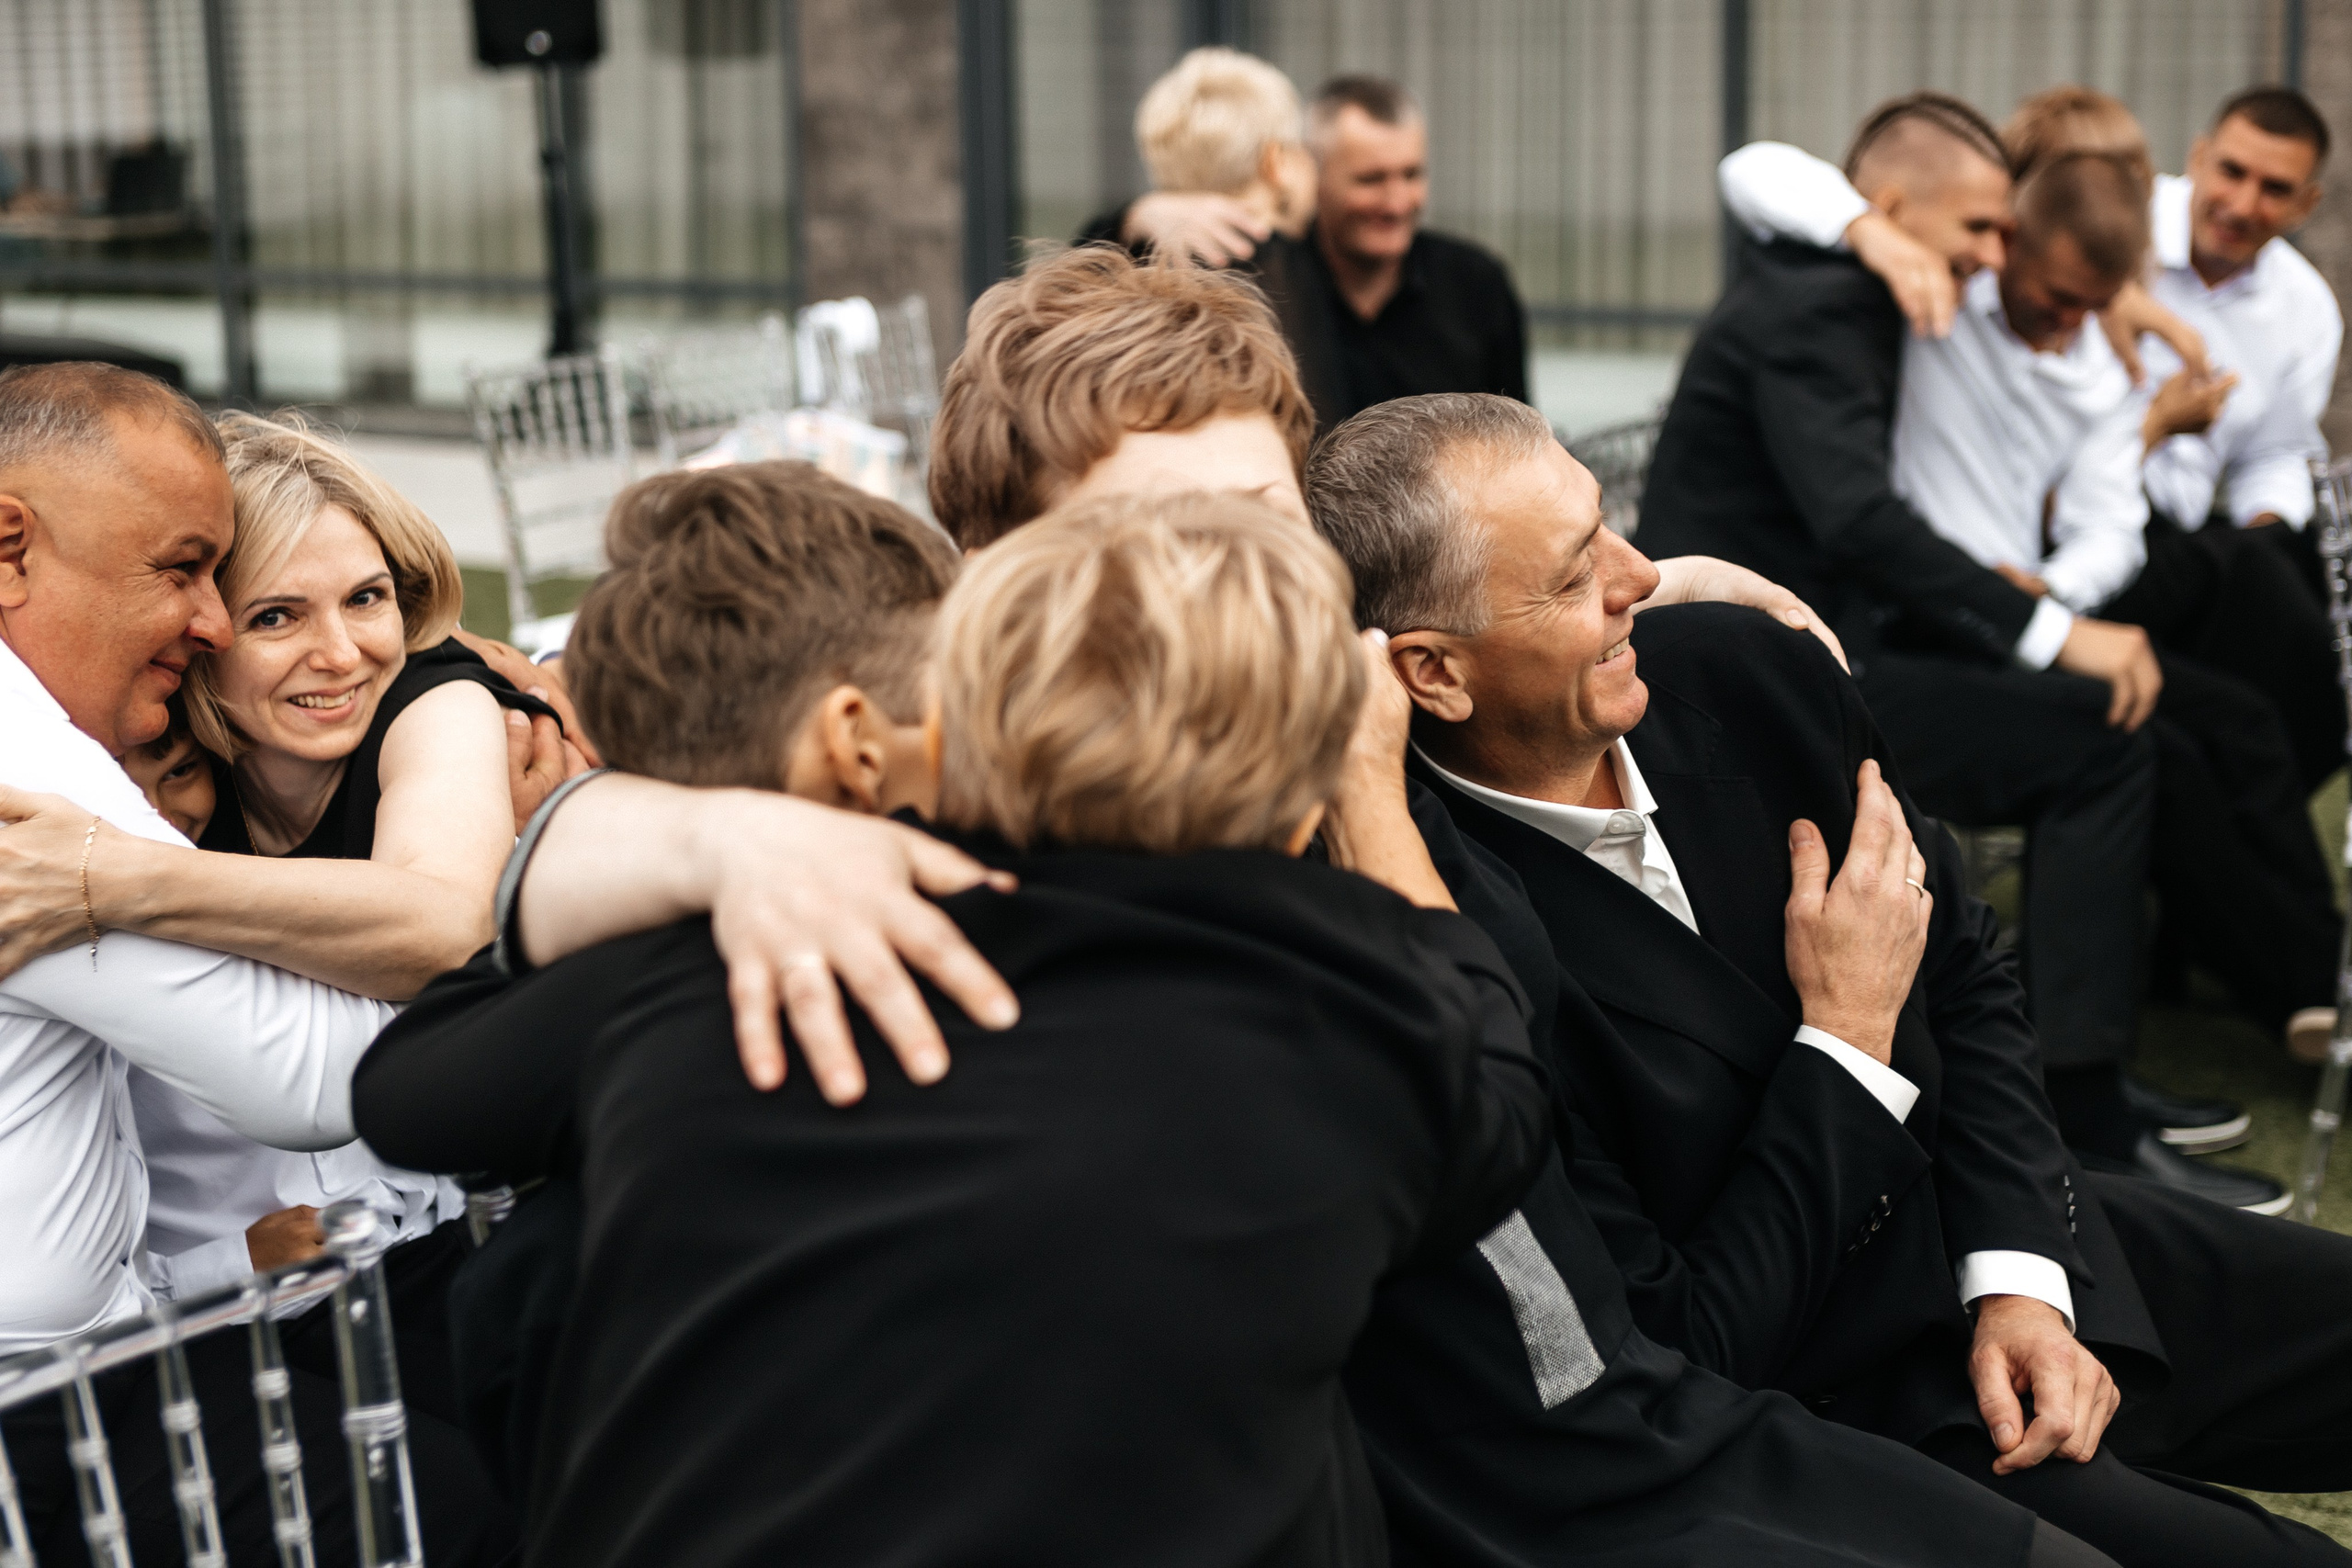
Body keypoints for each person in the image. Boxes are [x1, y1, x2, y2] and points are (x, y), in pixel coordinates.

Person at [356, 478, 1555, 1567]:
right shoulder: (1345, 1020)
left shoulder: (750, 953)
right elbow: (1498, 1077)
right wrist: (1368, 789)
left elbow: (413, 1083)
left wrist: (653, 832)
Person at [1310, 388, 2352, 1568]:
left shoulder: (1747, 671)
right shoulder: (1445, 930)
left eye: (1606, 524)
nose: (1642, 575)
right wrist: (1849, 1043)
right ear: (1432, 675)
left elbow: (1961, 968)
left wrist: (2021, 1278)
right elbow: (1687, 1342)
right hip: (1852, 1402)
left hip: (2012, 1222)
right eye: (1569, 575)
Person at [1635, 94, 2279, 1206]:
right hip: (1747, 689)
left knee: (2139, 725)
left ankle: (2091, 1082)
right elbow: (1856, 523)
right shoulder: (1821, 303)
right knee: (2101, 746)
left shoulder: (1859, 285)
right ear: (1884, 211)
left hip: (1828, 649)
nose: (1995, 255)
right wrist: (2051, 629)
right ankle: (2081, 1119)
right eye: (1978, 231)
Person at [0, 362, 512, 1564]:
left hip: (279, 1306)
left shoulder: (434, 707)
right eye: (196, 580)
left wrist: (125, 877)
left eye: (369, 597)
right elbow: (313, 1079)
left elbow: (448, 921)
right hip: (102, 1390)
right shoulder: (85, 776)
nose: (212, 619)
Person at [1089, 67, 1529, 428]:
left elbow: (1519, 431)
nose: (1398, 203)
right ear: (1310, 171)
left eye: (1413, 175)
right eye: (1370, 180)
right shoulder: (1277, 267)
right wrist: (1138, 215)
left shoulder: (1476, 284)